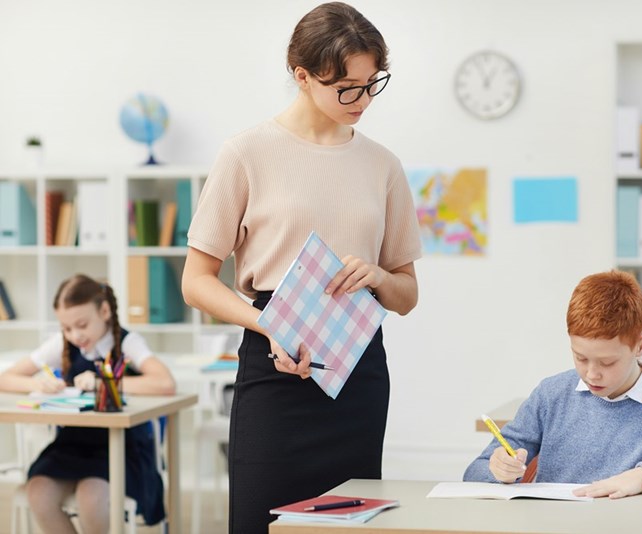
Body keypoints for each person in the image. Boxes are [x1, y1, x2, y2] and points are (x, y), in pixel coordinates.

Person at [180, 2, 421, 531]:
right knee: (260, 521)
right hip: (274, 365)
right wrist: (270, 323)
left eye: (371, 83)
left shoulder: (382, 165)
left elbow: (407, 295)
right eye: (346, 87)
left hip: (357, 368)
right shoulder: (245, 153)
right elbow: (195, 282)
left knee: (350, 524)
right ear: (302, 76)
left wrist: (378, 277)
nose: (361, 100)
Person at [464, 271, 642, 497]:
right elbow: (474, 472)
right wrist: (498, 469)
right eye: (580, 358)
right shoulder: (551, 395)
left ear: (641, 345)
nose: (591, 374)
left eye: (607, 363)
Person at [0, 274, 176, 533]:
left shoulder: (127, 342)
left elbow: (165, 384)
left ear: (104, 311)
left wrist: (103, 383)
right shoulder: (62, 344)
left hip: (122, 448)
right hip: (74, 444)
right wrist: (37, 384)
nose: (75, 335)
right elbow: (6, 378)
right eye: (67, 328)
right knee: (38, 492)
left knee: (91, 497)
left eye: (82, 324)